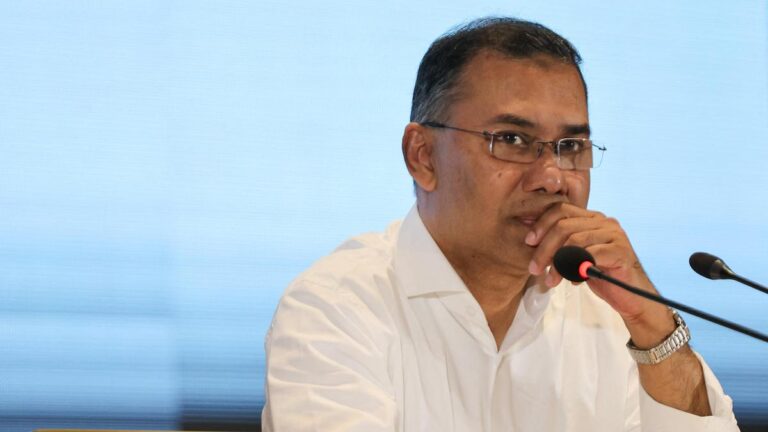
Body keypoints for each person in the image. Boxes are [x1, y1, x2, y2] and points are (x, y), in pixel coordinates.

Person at [261, 17, 739, 431]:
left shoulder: (611, 313)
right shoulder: (334, 310)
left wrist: (652, 325)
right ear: (422, 156)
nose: (552, 177)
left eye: (571, 147)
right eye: (511, 140)